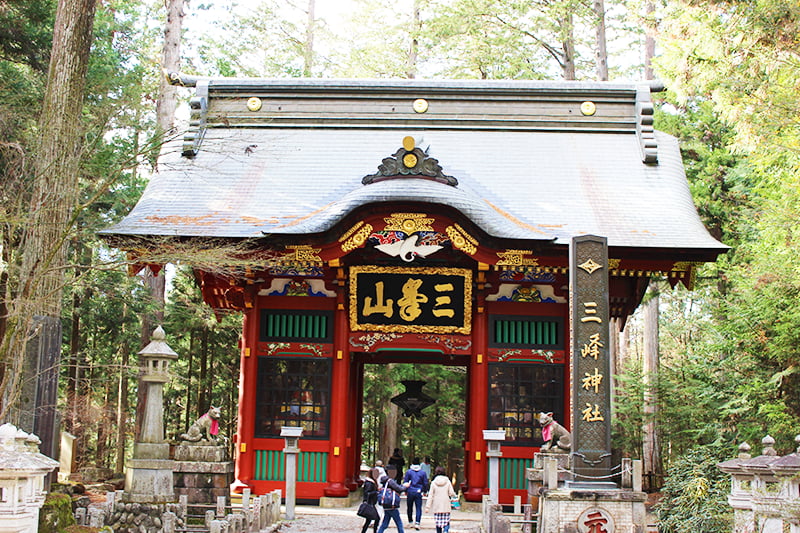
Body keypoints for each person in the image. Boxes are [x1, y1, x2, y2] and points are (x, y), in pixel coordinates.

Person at [424, 466, 457, 533]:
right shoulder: (447, 481)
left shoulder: (433, 483)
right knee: (446, 522)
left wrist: (427, 507)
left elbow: (430, 495)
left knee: (438, 523)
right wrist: (454, 496)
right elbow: (451, 493)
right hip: (446, 505)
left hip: (437, 506)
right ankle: (445, 531)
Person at [377, 465, 409, 533]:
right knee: (399, 522)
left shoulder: (384, 480)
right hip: (391, 504)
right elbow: (399, 489)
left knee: (385, 523)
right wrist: (405, 486)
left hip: (386, 504)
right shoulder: (390, 481)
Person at [402, 457, 429, 530]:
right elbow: (425, 483)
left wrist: (405, 490)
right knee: (418, 507)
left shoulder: (409, 472)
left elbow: (406, 482)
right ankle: (417, 522)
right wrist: (425, 491)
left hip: (410, 491)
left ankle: (410, 522)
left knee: (409, 507)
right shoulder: (422, 473)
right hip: (418, 491)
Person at [359, 465, 380, 533]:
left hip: (371, 503)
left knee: (369, 520)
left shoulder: (371, 482)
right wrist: (376, 492)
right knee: (376, 518)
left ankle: (364, 531)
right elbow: (367, 493)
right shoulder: (369, 483)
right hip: (369, 503)